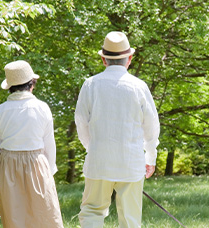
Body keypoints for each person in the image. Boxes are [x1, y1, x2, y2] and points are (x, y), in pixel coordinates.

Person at [75, 31, 160, 228]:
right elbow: (151, 126)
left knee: (92, 212)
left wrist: (93, 147)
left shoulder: (90, 84)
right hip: (131, 160)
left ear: (104, 59)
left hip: (98, 159)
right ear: (129, 58)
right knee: (130, 218)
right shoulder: (139, 86)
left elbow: (81, 122)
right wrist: (150, 157)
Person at [0, 60, 64, 228]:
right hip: (37, 162)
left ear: (10, 87)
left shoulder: (0, 110)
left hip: (7, 165)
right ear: (32, 84)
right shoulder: (42, 107)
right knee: (45, 216)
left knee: (14, 218)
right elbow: (49, 145)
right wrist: (49, 171)